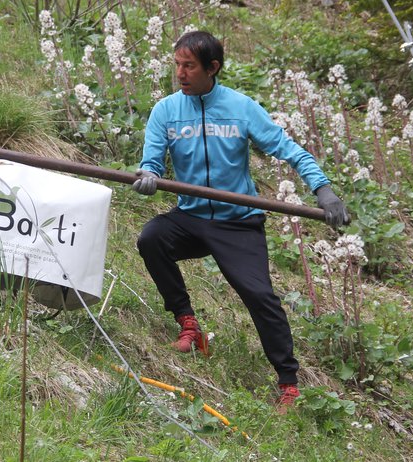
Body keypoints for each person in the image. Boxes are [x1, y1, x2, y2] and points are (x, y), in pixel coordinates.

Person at [133, 30, 349, 411]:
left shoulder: (241, 107)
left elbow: (290, 150)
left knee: (261, 297)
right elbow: (151, 159)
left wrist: (323, 190)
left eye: (189, 66)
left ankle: (288, 384)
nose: (180, 74)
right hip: (192, 217)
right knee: (151, 238)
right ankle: (188, 323)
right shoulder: (165, 110)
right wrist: (148, 175)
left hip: (238, 223)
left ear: (212, 68)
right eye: (177, 65)